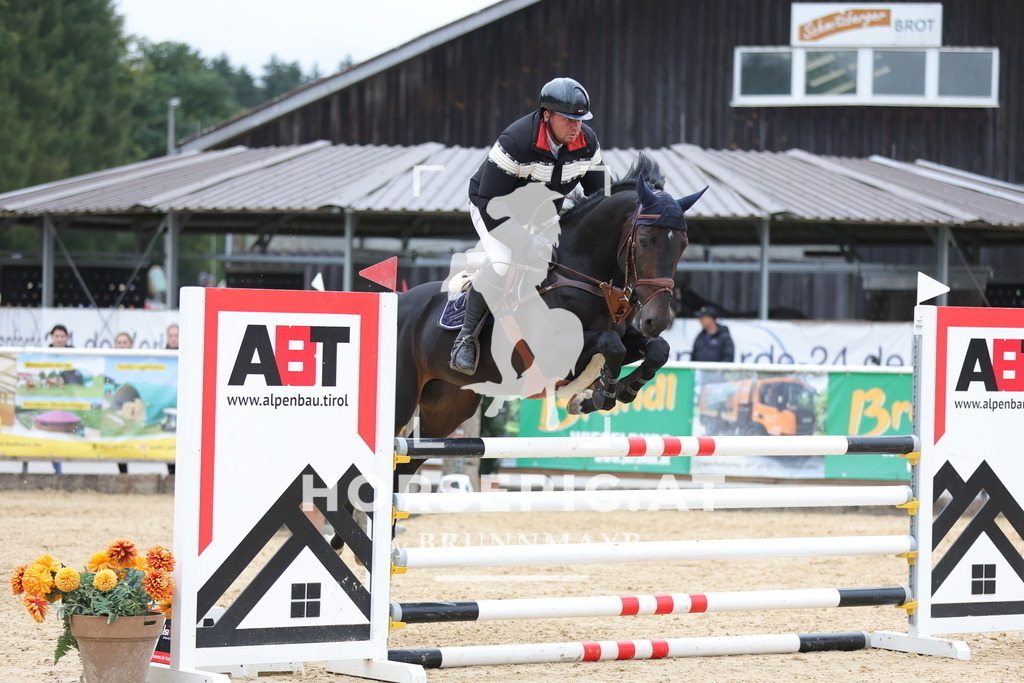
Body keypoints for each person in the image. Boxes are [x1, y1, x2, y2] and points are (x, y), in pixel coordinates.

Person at [450, 77, 607, 375]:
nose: (576, 127)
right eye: (568, 119)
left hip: (542, 212)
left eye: (580, 120)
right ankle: (466, 338)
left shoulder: (586, 142)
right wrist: (524, 241)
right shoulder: (516, 141)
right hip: (493, 207)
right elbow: (489, 201)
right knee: (503, 261)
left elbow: (601, 193)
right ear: (547, 115)